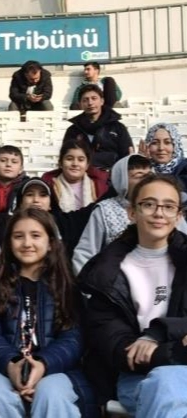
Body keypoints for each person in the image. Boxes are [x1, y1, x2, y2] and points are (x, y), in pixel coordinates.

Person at [78, 174, 187, 417]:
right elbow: (117, 348)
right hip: (138, 376)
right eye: (149, 204)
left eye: (169, 206)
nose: (159, 213)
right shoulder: (106, 274)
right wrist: (178, 350)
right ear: (132, 213)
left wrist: (157, 333)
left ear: (178, 216)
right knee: (166, 386)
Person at [0, 208, 96, 418]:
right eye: (18, 236)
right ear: (8, 243)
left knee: (51, 395)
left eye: (36, 235)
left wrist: (43, 364)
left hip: (57, 368)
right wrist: (11, 364)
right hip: (3, 366)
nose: (27, 243)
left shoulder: (66, 287)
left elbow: (73, 338)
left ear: (50, 243)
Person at [71, 155, 155, 274]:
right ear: (122, 180)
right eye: (139, 176)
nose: (147, 181)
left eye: (150, 176)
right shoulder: (105, 210)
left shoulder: (164, 207)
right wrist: (88, 285)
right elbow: (85, 254)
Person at [63, 84, 133, 171]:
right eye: (85, 100)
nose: (90, 103)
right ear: (80, 104)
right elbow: (66, 157)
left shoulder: (118, 128)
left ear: (102, 101)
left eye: (94, 98)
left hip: (112, 175)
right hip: (82, 175)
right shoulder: (73, 130)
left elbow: (126, 157)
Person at [41, 140, 109, 213]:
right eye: (69, 159)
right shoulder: (49, 186)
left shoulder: (99, 186)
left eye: (81, 160)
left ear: (87, 165)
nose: (75, 164)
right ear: (60, 163)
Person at [139, 122, 187, 190]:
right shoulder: (144, 168)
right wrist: (141, 165)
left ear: (175, 146)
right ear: (148, 146)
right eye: (155, 143)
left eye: (167, 142)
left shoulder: (184, 168)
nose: (161, 148)